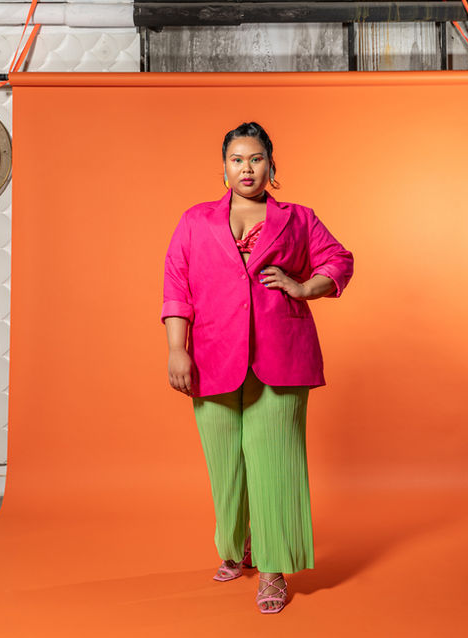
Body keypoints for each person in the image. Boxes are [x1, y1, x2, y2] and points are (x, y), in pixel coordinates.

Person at [161, 122, 354, 614]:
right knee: (226, 464)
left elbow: (339, 260)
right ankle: (239, 545)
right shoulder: (195, 221)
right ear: (222, 168)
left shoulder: (299, 218)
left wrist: (303, 287)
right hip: (210, 356)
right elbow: (177, 287)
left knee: (275, 463)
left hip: (283, 356)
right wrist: (176, 349)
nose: (246, 168)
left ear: (272, 165)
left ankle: (272, 567)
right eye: (236, 160)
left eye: (256, 159)